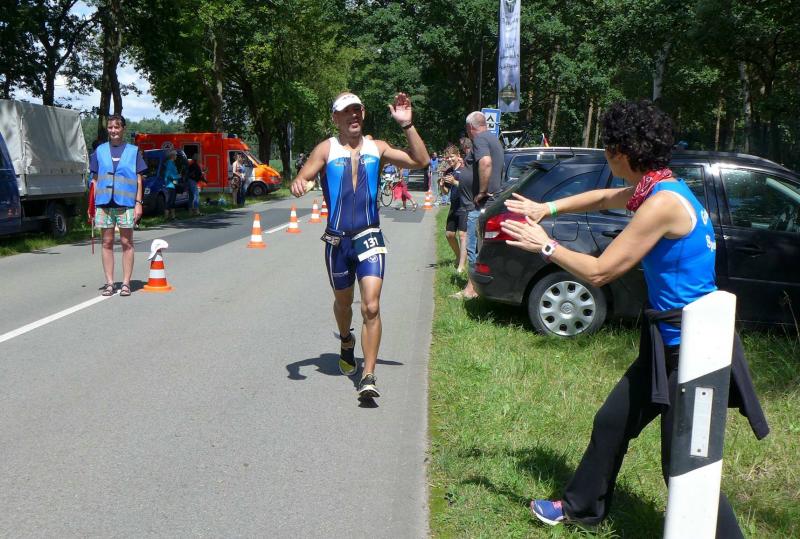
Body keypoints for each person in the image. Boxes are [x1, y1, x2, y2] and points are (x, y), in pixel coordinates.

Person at [501, 100, 768, 536]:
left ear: (622, 153)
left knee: (683, 464)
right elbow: (604, 197)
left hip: (692, 350)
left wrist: (544, 245)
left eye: (608, 147)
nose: (606, 155)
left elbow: (600, 272)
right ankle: (581, 508)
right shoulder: (659, 189)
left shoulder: (663, 204)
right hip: (665, 341)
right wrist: (547, 210)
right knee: (612, 422)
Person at [290, 91, 429, 399]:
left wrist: (407, 125)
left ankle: (368, 375)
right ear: (335, 118)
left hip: (369, 237)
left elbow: (421, 161)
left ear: (363, 114)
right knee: (343, 304)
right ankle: (346, 340)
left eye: (357, 110)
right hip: (337, 241)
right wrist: (299, 183)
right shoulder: (326, 149)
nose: (353, 115)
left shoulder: (377, 148)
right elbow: (302, 178)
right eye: (346, 111)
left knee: (371, 306)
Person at [89, 114, 147, 297]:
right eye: (110, 127)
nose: (113, 130)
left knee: (126, 243)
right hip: (104, 203)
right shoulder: (99, 151)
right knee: (106, 243)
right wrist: (91, 205)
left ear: (123, 129)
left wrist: (138, 203)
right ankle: (110, 283)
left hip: (126, 204)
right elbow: (94, 180)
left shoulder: (133, 151)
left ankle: (126, 283)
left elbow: (139, 179)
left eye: (116, 127)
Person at [454, 111, 504, 299]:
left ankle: (472, 289)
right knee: (479, 246)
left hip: (481, 204)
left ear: (470, 127)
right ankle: (472, 286)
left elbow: (485, 162)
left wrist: (482, 191)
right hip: (488, 203)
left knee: (473, 247)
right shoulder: (492, 138)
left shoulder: (480, 139)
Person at [441, 140, 473, 273]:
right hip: (454, 206)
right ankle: (459, 256)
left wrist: (454, 182)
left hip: (465, 205)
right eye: (447, 158)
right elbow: (446, 192)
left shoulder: (465, 169)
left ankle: (461, 265)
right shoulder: (448, 171)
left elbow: (469, 188)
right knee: (449, 234)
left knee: (463, 235)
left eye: (451, 157)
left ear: (458, 155)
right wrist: (442, 185)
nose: (449, 159)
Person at [163, 149, 181, 220]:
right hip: (169, 185)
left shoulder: (172, 163)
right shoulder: (170, 163)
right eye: (176, 155)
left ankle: (173, 216)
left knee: (172, 201)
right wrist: (178, 176)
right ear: (172, 156)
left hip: (173, 185)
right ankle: (166, 217)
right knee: (169, 201)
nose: (176, 156)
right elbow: (169, 174)